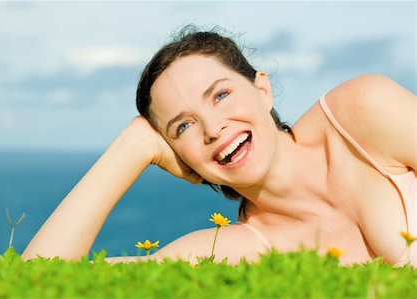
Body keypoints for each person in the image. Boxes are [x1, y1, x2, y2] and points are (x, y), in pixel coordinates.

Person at [21, 27, 416, 267]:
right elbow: (33, 281)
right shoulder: (233, 249)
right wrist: (133, 146)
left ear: (262, 89)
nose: (212, 128)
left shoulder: (359, 115)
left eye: (221, 95)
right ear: (180, 159)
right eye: (184, 126)